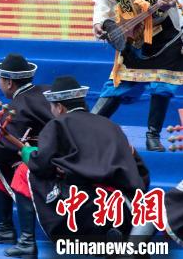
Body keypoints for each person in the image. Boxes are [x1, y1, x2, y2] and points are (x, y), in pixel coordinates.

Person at [22, 75, 150, 243]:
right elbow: (140, 169)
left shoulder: (57, 125)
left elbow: (41, 165)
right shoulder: (112, 126)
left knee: (25, 171)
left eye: (52, 107)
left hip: (84, 207)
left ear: (59, 107)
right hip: (123, 207)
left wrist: (28, 154)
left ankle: (26, 241)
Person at [91, 0, 183, 151]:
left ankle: (152, 136)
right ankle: (87, 128)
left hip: (164, 38)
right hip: (134, 38)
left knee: (162, 85)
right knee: (117, 85)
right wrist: (99, 21)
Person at [0, 54, 53, 258]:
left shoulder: (17, 107)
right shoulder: (47, 90)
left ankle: (13, 232)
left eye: (0, 80)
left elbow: (4, 151)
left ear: (9, 82)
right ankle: (5, 229)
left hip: (48, 162)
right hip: (66, 153)